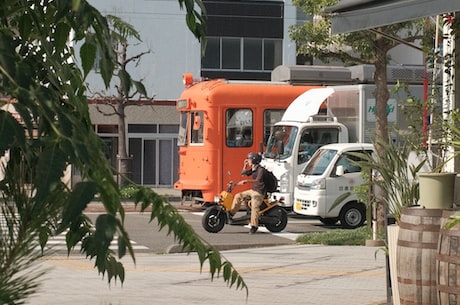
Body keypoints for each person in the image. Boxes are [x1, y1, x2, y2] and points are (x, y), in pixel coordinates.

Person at [228, 152, 266, 234]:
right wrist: (245, 165)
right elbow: (243, 173)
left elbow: (258, 180)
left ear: (254, 160)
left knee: (255, 206)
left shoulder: (260, 170)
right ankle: (230, 214)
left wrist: (247, 181)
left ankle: (254, 226)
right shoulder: (253, 168)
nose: (247, 160)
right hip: (253, 190)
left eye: (249, 159)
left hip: (259, 192)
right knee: (238, 195)